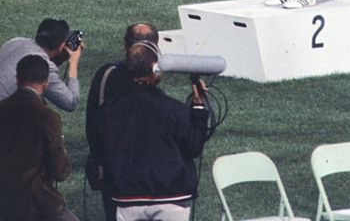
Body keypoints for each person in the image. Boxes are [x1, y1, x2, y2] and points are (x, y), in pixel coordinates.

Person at [102, 42, 209, 220]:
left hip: (126, 197)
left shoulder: (111, 108)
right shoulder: (174, 109)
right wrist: (198, 108)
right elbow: (194, 147)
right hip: (171, 198)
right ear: (155, 67)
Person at [85, 22, 159, 221]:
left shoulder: (106, 74)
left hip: (113, 169)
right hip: (141, 173)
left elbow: (94, 123)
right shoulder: (152, 88)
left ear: (126, 45)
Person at [0, 55, 80, 221]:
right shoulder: (48, 116)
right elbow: (61, 172)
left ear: (17, 79)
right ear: (46, 83)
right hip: (35, 203)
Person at [0, 17, 82, 111]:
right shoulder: (46, 66)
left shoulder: (16, 41)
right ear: (61, 46)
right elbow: (70, 103)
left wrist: (60, 58)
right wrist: (73, 63)